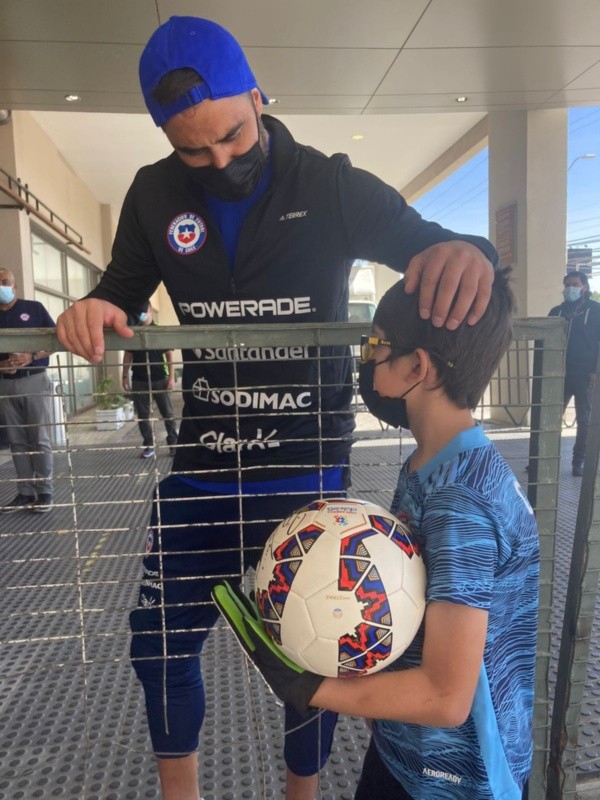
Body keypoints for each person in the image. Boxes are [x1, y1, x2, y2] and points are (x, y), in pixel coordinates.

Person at [55, 16, 499, 800]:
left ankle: (303, 794)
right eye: (195, 150)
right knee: (157, 648)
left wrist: (474, 254)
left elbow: (434, 244)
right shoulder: (154, 194)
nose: (221, 160)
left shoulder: (328, 185)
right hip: (201, 471)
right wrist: (92, 308)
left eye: (232, 134)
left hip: (303, 472)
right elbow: (118, 292)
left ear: (258, 96)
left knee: (316, 654)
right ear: (166, 139)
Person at [215, 267, 539, 800]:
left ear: (418, 366)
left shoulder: (461, 499)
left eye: (376, 346)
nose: (366, 360)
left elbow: (447, 697)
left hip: (458, 778)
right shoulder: (431, 465)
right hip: (404, 747)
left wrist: (311, 687)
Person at [0, 267, 56, 513]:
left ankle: (45, 492)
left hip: (34, 379)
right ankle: (25, 492)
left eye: (5, 281)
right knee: (17, 441)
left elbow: (54, 340)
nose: (1, 286)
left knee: (39, 438)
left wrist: (31, 356)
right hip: (5, 383)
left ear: (14, 286)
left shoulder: (34, 309)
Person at [548, 270, 600, 477]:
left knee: (584, 420)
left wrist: (595, 370)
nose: (571, 288)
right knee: (550, 418)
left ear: (584, 287)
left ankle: (578, 462)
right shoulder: (556, 312)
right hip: (558, 374)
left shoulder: (595, 311)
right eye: (567, 284)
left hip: (586, 375)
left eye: (575, 284)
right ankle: (542, 459)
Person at [122, 304, 178, 459]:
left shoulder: (159, 331)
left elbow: (169, 355)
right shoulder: (133, 332)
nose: (142, 314)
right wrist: (124, 376)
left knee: (168, 413)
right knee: (143, 415)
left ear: (151, 311)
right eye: (139, 311)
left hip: (160, 379)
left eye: (144, 310)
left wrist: (171, 377)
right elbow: (128, 355)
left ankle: (173, 444)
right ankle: (149, 445)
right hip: (139, 380)